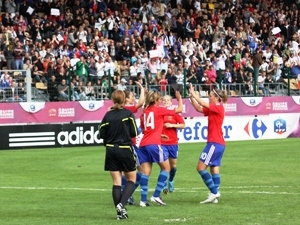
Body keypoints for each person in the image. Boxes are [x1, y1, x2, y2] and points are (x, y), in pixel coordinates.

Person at [138, 90, 183, 206]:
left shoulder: (145, 112)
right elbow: (179, 109)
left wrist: (158, 134)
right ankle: (156, 195)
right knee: (166, 168)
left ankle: (143, 200)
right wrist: (179, 99)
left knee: (146, 172)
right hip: (153, 144)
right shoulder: (158, 110)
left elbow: (144, 129)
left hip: (143, 144)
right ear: (157, 100)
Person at [99, 90, 138, 220]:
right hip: (125, 148)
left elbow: (101, 133)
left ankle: (120, 213)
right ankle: (121, 205)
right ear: (124, 100)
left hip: (110, 149)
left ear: (113, 99)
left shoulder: (107, 115)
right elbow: (134, 132)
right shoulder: (128, 114)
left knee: (116, 182)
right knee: (131, 179)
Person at [189, 83, 228, 204]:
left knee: (200, 168)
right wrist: (191, 97)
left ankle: (214, 192)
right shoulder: (213, 108)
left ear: (217, 98)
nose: (209, 97)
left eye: (210, 95)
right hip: (219, 143)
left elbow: (202, 104)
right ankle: (214, 195)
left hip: (214, 143)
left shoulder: (218, 107)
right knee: (214, 170)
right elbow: (198, 108)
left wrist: (195, 94)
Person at [122, 81, 146, 205]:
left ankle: (125, 192)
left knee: (126, 172)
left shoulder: (122, 109)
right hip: (130, 145)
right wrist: (142, 89)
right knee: (141, 171)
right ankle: (126, 193)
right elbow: (141, 103)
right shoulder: (127, 108)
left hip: (127, 144)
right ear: (126, 99)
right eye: (132, 96)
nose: (134, 98)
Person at [161, 95, 185, 194]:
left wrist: (172, 125)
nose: (166, 102)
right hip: (162, 143)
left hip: (173, 143)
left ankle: (171, 180)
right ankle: (163, 184)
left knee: (173, 166)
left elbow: (183, 125)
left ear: (171, 102)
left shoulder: (175, 114)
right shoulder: (160, 113)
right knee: (164, 165)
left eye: (168, 100)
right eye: (164, 100)